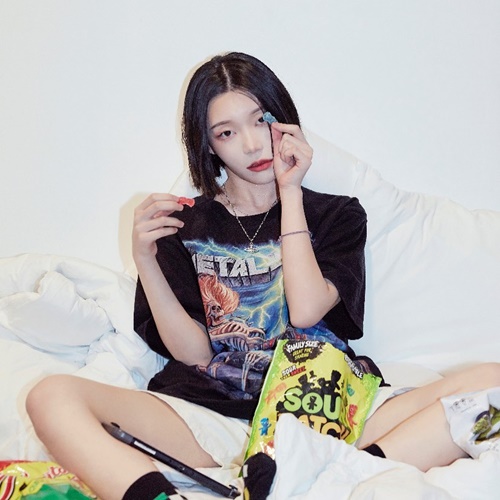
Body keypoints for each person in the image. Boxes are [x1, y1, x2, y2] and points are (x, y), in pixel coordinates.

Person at [26, 52, 500, 500]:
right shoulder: (184, 226)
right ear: (208, 145)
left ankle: (339, 478)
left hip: (327, 409)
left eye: (261, 121)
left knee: (492, 381)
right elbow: (194, 353)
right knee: (52, 396)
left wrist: (290, 193)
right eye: (226, 132)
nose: (252, 144)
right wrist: (145, 259)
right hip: (219, 416)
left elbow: (306, 310)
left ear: (284, 121)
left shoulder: (337, 215)